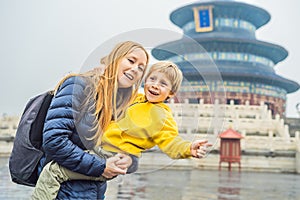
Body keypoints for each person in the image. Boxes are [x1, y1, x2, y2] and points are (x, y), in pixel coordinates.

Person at [32, 61, 211, 199]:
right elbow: (114, 94)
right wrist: (104, 72)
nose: (155, 85)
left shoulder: (163, 116)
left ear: (171, 93)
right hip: (98, 150)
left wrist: (188, 148)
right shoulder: (136, 98)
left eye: (163, 84)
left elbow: (171, 141)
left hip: (112, 158)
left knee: (53, 172)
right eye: (152, 79)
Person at [32, 41, 150, 200]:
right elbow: (54, 140)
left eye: (141, 68)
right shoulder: (78, 86)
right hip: (60, 193)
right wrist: (101, 167)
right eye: (131, 60)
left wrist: (128, 161)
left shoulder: (119, 106)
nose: (135, 69)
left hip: (92, 194)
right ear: (115, 58)